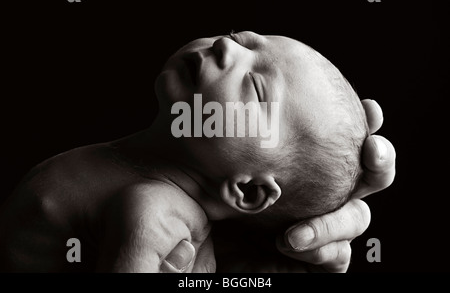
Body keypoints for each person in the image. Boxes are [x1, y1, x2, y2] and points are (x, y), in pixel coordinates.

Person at [0, 32, 396, 272]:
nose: (226, 47)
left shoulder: (153, 210)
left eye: (256, 89)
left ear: (249, 192)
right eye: (241, 38)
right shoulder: (137, 165)